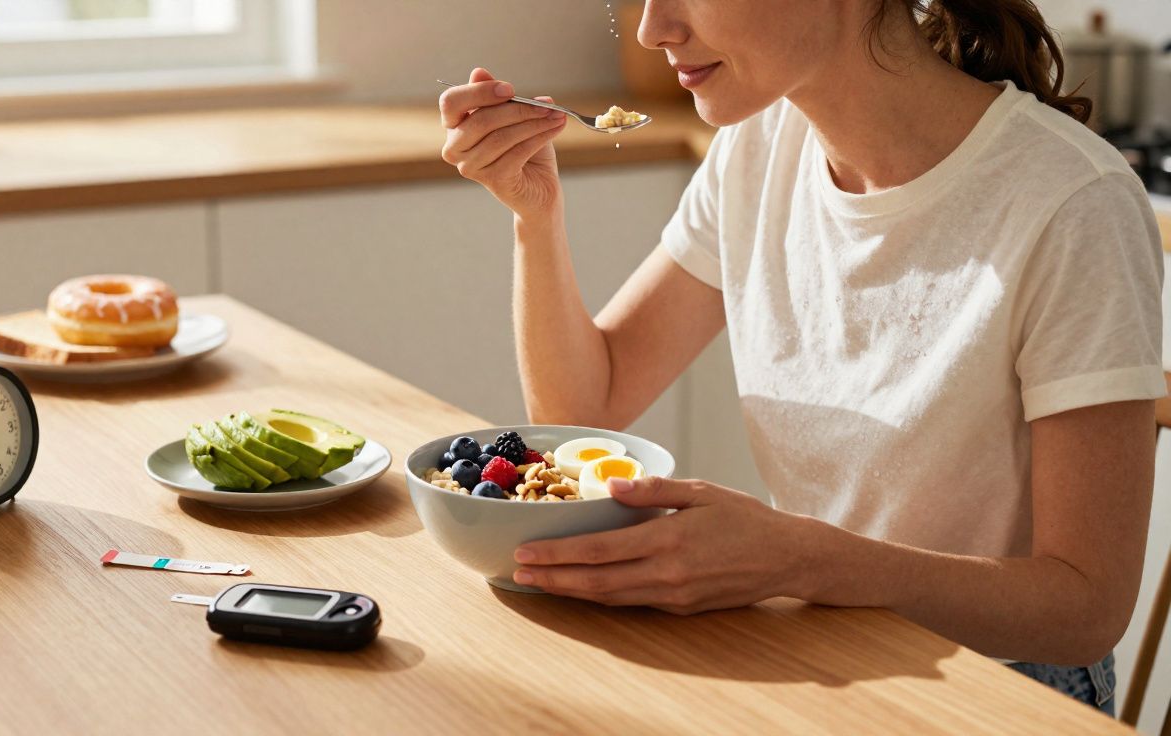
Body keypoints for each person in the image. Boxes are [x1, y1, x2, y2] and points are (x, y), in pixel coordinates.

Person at [437, 0, 1165, 714]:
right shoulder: (759, 146)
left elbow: (1084, 608)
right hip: (824, 648)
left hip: (1003, 695)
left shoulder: (1074, 201)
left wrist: (802, 561)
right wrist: (535, 216)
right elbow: (582, 409)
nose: (655, 28)